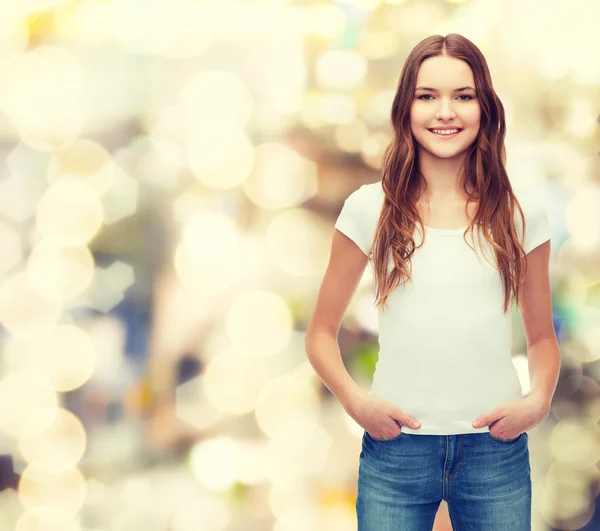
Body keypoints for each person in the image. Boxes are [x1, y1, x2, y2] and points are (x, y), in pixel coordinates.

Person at [305, 33, 560, 531]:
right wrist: (357, 403)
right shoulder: (368, 208)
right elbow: (319, 333)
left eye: (463, 96)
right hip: (395, 452)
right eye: (428, 96)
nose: (446, 111)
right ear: (406, 109)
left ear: (485, 107)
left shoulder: (520, 212)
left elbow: (542, 339)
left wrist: (538, 402)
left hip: (495, 452)